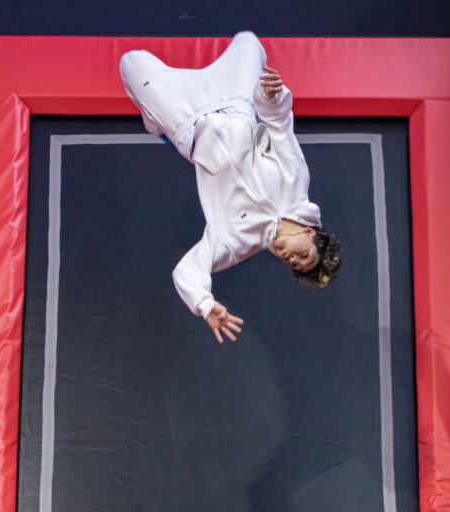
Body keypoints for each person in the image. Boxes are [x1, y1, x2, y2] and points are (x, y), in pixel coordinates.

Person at [119, 31, 341, 343]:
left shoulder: (238, 242)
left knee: (130, 61)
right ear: (309, 232)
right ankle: (155, 121)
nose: (292, 261)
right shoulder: (297, 182)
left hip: (184, 118)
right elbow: (280, 126)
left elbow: (189, 269)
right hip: (234, 98)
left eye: (294, 267)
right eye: (304, 257)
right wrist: (271, 96)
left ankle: (155, 124)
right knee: (248, 40)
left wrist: (204, 304)